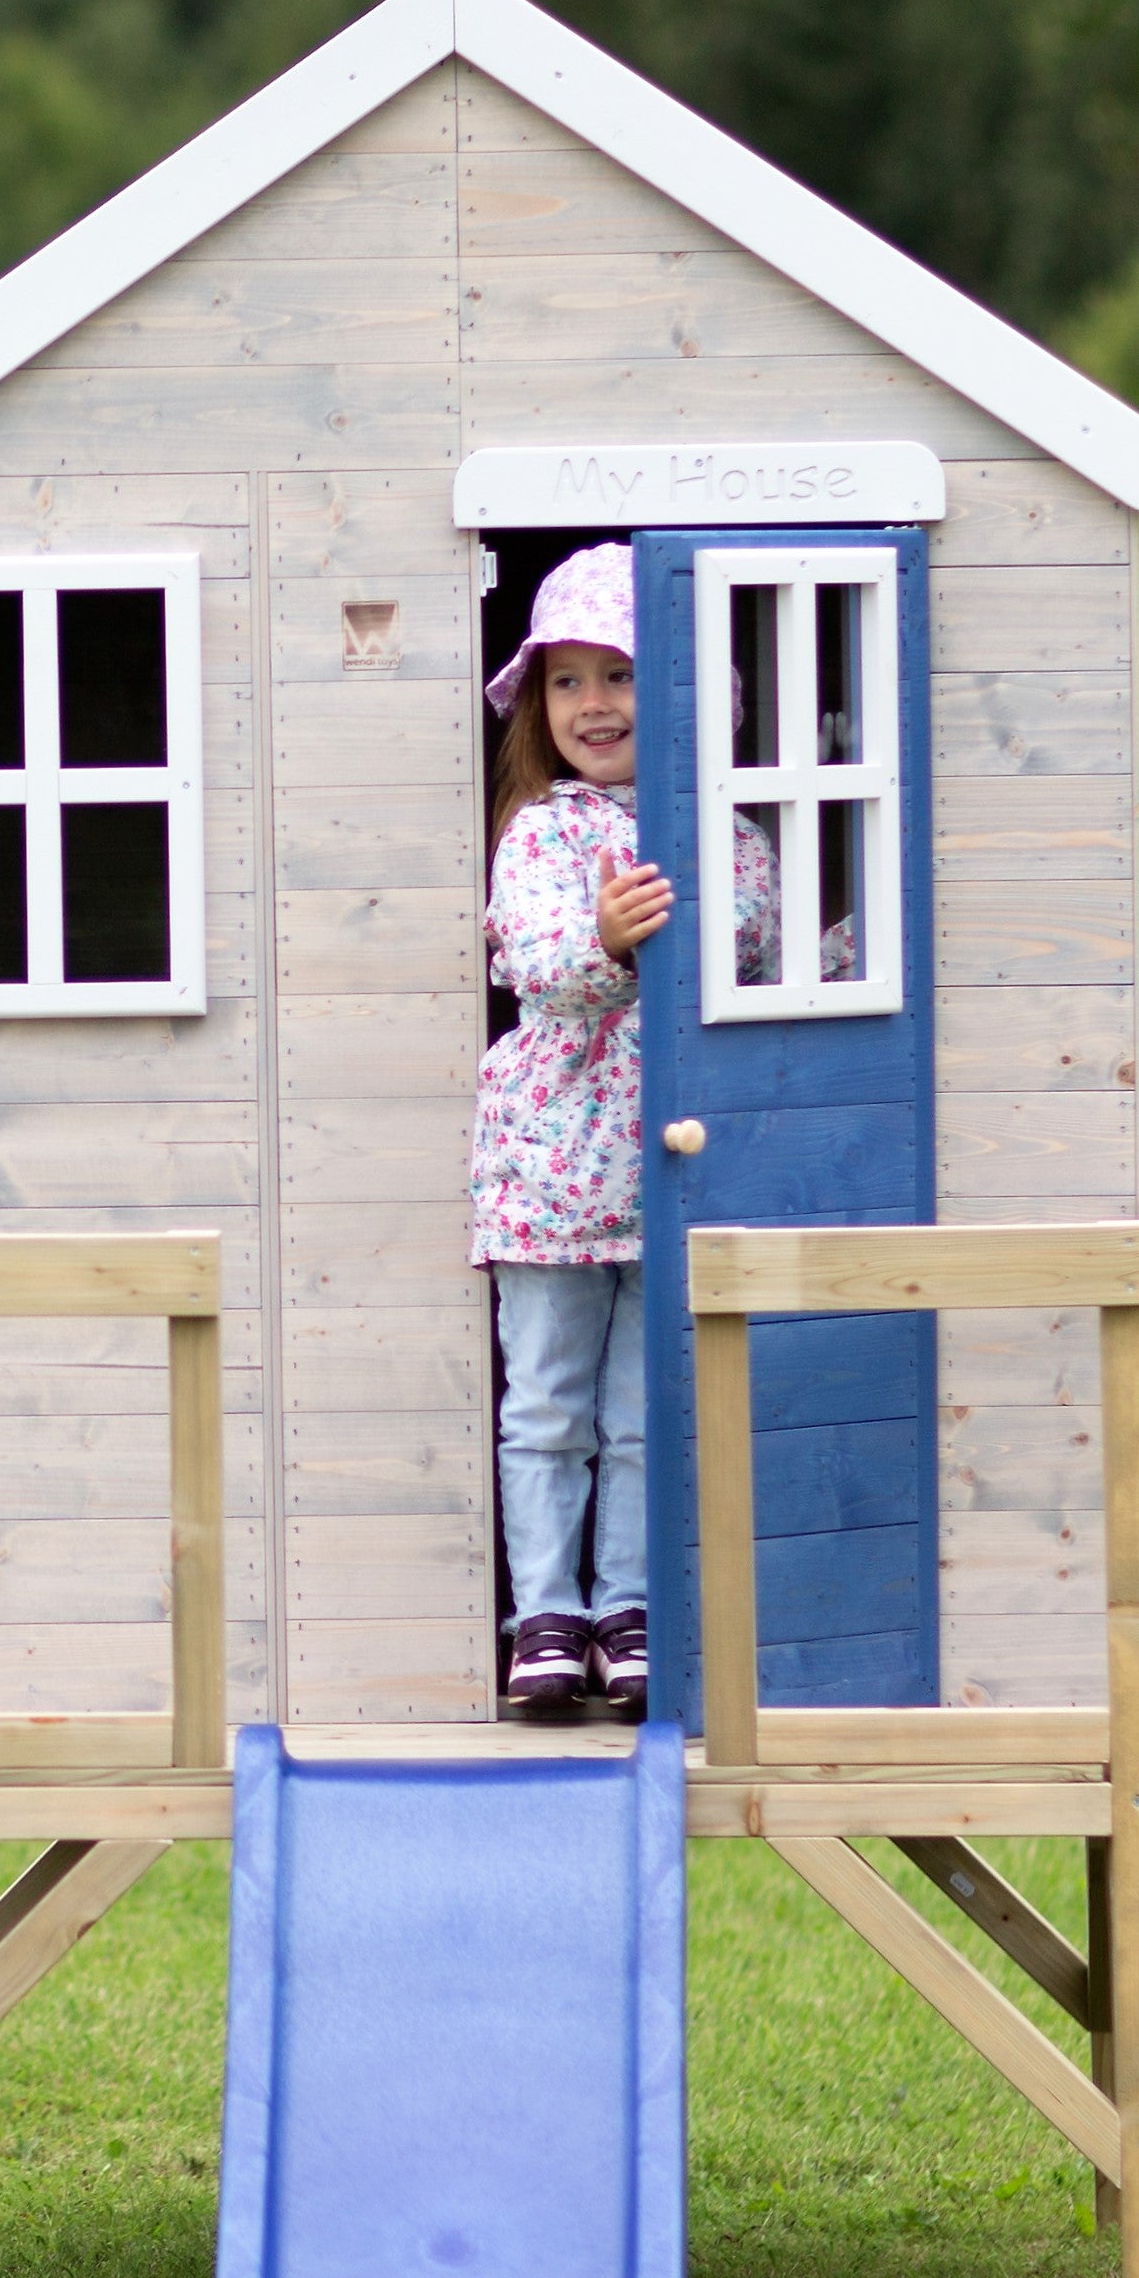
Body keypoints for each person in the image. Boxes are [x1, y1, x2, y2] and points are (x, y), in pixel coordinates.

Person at [471, 546, 783, 1721]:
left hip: (671, 1161)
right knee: (545, 1401)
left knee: (646, 1405)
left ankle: (628, 1607)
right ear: (537, 706)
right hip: (549, 1167)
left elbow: (749, 947)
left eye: (619, 675)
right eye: (565, 682)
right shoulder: (540, 833)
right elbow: (543, 973)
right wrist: (605, 936)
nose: (592, 705)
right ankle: (543, 1615)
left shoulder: (732, 835)